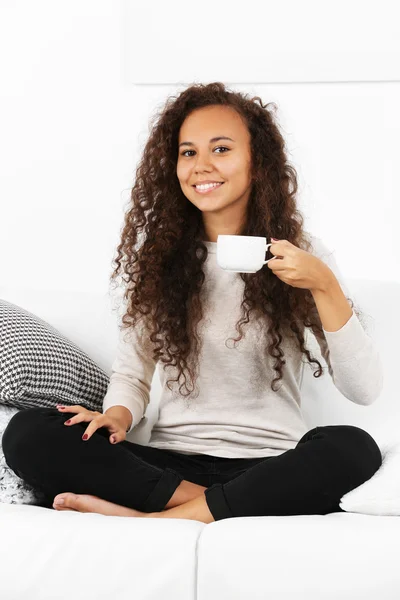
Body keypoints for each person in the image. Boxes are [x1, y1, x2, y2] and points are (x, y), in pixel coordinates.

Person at [2, 82, 383, 523]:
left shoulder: (302, 253)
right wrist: (117, 417)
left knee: (353, 446)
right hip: (167, 462)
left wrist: (325, 286)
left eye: (221, 149)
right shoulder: (159, 258)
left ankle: (155, 521)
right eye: (188, 153)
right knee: (29, 433)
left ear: (257, 163)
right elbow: (133, 373)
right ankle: (213, 506)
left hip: (268, 463)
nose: (201, 166)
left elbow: (364, 390)